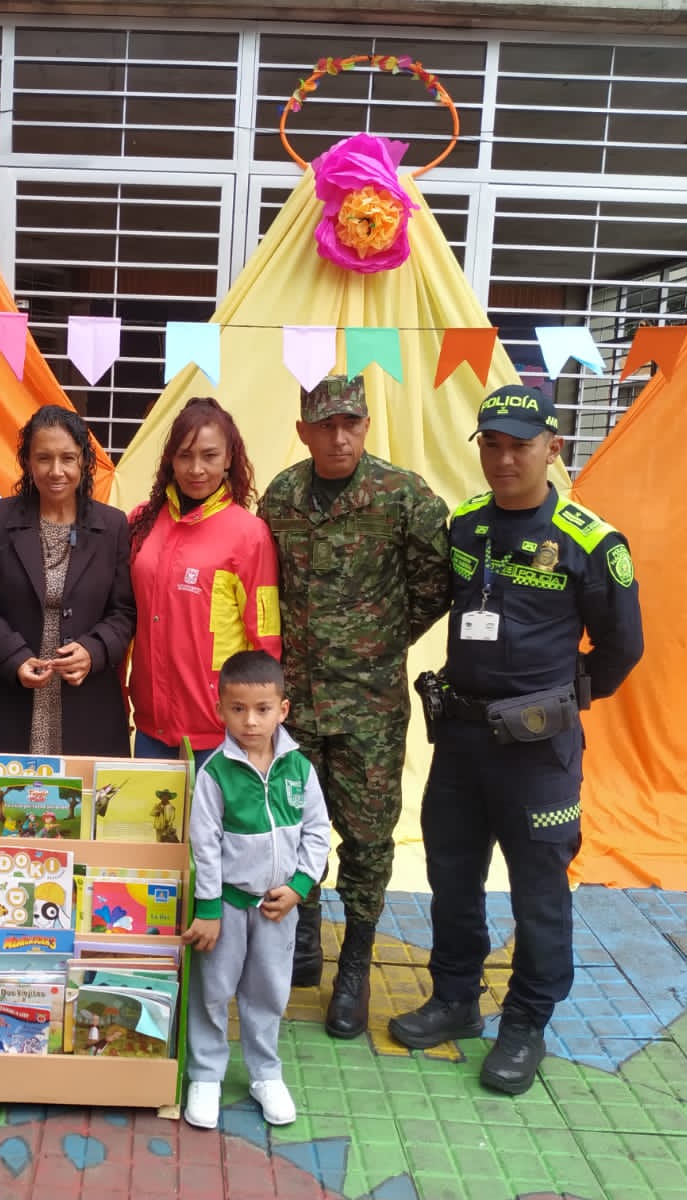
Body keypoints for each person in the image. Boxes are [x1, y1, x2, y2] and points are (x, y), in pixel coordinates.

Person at [387, 384, 643, 1095]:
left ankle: (526, 1021)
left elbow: (623, 648)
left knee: (538, 891)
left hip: (537, 752)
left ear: (552, 449)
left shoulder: (593, 542)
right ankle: (455, 999)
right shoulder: (467, 524)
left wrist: (557, 699)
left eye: (521, 447)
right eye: (492, 445)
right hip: (460, 742)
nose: (504, 460)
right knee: (451, 876)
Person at [258, 374, 451, 1037]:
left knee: (367, 839)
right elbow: (266, 584)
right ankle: (305, 935)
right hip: (295, 705)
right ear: (303, 431)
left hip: (369, 706)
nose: (339, 437)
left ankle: (357, 964)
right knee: (292, 828)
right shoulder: (281, 496)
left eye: (351, 424)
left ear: (366, 425)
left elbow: (437, 582)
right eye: (326, 426)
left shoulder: (403, 496)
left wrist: (383, 639)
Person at [182, 650, 331, 1130]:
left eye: (262, 709)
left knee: (268, 992)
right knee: (212, 991)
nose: (250, 721)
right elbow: (204, 845)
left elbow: (318, 831)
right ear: (220, 709)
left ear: (282, 710)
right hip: (226, 907)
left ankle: (265, 1073)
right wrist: (208, 908)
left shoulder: (300, 769)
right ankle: (205, 1075)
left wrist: (300, 886)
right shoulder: (215, 774)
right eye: (238, 709)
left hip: (277, 908)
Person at [0, 406, 135, 756]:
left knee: (81, 789)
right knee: (7, 790)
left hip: (88, 700)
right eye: (43, 458)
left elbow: (124, 611)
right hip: (6, 696)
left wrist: (94, 651)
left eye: (67, 458)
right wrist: (14, 657)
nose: (56, 471)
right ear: (27, 462)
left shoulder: (112, 526)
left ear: (84, 461)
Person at [127, 397, 281, 759]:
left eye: (209, 456)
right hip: (150, 727)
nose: (196, 469)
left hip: (220, 731)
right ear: (170, 460)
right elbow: (124, 618)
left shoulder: (250, 534)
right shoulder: (141, 523)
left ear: (229, 459)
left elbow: (265, 639)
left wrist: (259, 726)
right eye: (185, 456)